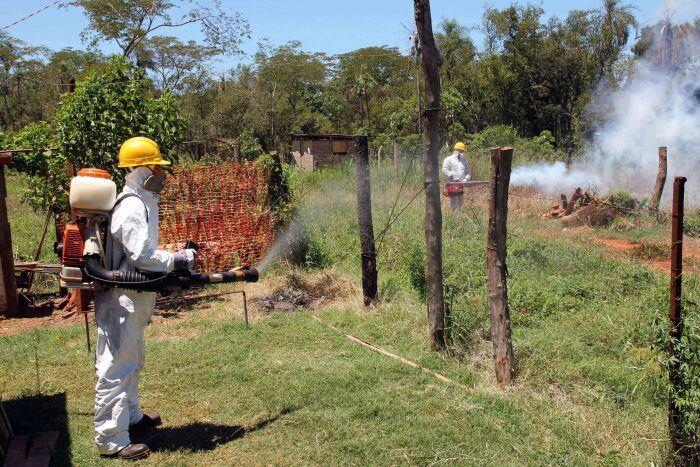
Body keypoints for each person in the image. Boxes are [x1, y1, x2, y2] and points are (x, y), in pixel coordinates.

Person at [94, 137, 196, 460]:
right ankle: (111, 439)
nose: (160, 172)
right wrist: (177, 259)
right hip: (122, 298)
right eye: (155, 166)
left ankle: (132, 419)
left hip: (133, 298)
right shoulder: (131, 206)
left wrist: (174, 259)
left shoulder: (143, 200)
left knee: (133, 361)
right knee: (117, 367)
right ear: (139, 168)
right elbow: (141, 255)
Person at [442, 142, 471, 211]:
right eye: (461, 151)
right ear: (457, 150)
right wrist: (452, 176)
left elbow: (468, 171)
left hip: (461, 185)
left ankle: (458, 219)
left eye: (463, 151)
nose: (462, 152)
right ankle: (455, 219)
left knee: (460, 203)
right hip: (452, 184)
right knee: (455, 204)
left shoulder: (464, 160)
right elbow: (444, 170)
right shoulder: (448, 159)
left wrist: (466, 179)